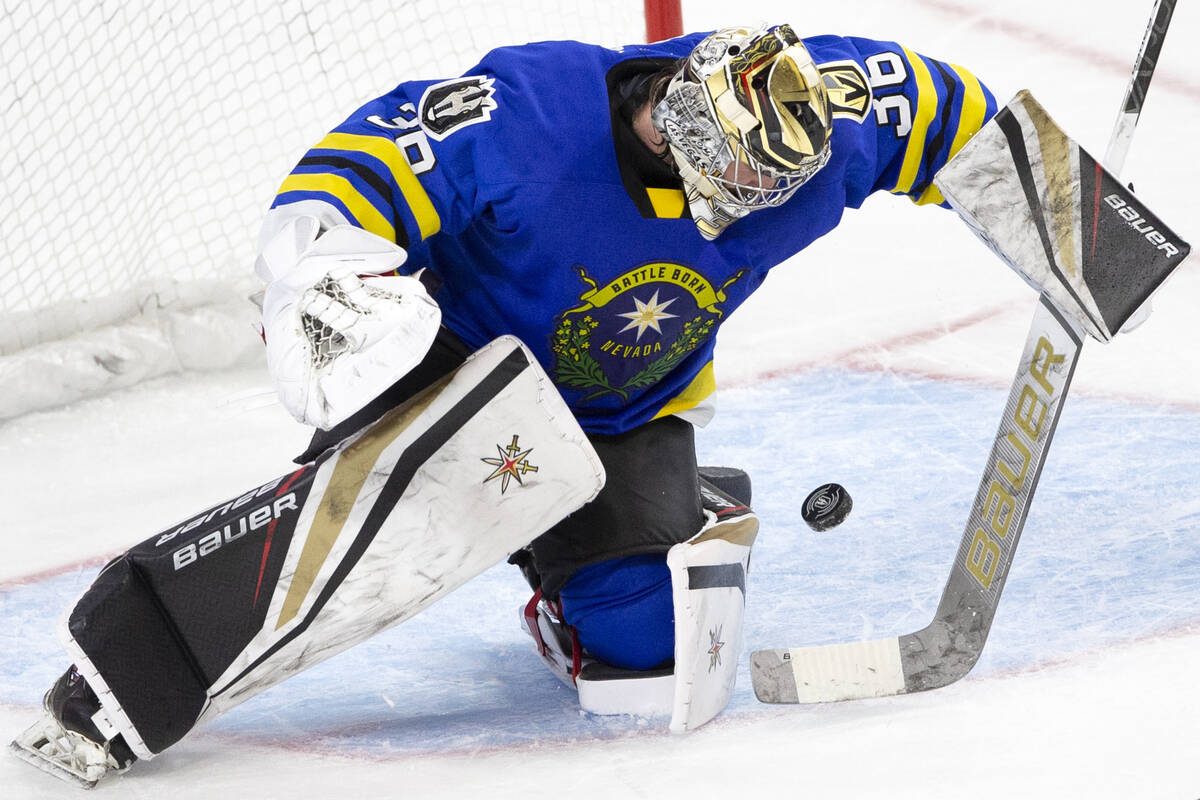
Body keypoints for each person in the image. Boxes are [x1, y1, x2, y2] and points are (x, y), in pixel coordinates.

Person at [16, 24, 997, 784]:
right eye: (744, 177)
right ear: (686, 126)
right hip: (456, 375)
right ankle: (119, 674)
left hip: (620, 418)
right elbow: (354, 167)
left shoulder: (819, 120)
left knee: (654, 661)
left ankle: (627, 526)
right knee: (363, 537)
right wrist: (322, 271)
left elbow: (952, 111)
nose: (762, 200)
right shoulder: (529, 116)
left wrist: (1065, 219)